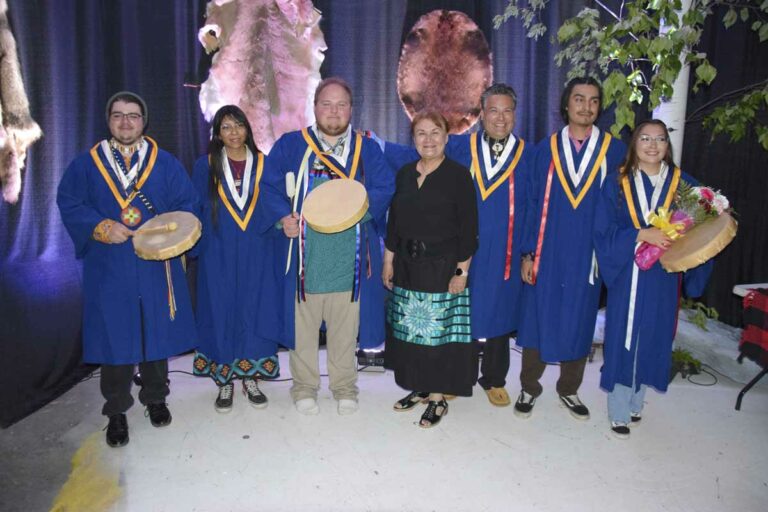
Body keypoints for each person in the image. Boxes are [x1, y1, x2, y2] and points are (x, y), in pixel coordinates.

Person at [57, 91, 198, 447]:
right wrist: (101, 226)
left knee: (155, 331)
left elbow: (187, 205)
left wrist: (164, 232)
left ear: (143, 121)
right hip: (110, 262)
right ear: (109, 120)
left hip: (152, 262)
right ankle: (116, 410)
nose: (125, 122)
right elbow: (69, 201)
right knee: (114, 335)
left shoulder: (164, 163)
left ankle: (156, 398)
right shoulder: (87, 164)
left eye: (133, 115)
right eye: (118, 115)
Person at [383, 84, 532, 407]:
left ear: (515, 115)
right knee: (453, 317)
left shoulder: (527, 155)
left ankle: (493, 377)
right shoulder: (464, 147)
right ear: (482, 113)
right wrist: (374, 141)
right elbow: (418, 155)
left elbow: (535, 204)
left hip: (502, 248)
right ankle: (451, 378)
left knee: (497, 311)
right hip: (457, 247)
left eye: (507, 110)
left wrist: (528, 251)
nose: (500, 118)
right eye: (493, 110)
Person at [258, 77, 394, 415]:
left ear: (351, 109)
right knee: (302, 328)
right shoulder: (291, 145)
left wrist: (358, 211)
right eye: (326, 104)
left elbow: (384, 186)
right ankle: (304, 387)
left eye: (341, 105)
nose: (334, 111)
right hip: (306, 254)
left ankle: (344, 386)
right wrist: (281, 220)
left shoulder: (367, 149)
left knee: (345, 327)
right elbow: (270, 187)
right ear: (315, 107)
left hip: (348, 254)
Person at [515, 77, 626, 420]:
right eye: (579, 99)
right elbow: (532, 204)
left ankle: (569, 388)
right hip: (547, 251)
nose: (586, 107)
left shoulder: (615, 151)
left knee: (580, 318)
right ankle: (529, 386)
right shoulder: (544, 149)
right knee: (536, 317)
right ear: (567, 105)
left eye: (593, 101)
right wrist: (528, 252)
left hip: (587, 254)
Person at [593, 120, 712, 438]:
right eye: (645, 138)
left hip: (662, 275)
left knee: (653, 336)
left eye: (660, 139)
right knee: (624, 336)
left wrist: (684, 246)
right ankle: (619, 409)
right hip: (628, 272)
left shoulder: (682, 184)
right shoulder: (617, 182)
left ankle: (636, 402)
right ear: (634, 143)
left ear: (667, 146)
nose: (652, 145)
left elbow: (702, 224)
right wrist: (641, 234)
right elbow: (603, 230)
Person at [383, 111, 479, 428]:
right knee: (412, 332)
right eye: (421, 133)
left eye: (435, 132)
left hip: (442, 267)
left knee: (437, 335)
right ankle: (420, 387)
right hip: (408, 267)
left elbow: (469, 230)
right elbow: (394, 223)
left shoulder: (458, 176)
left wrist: (461, 273)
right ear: (413, 139)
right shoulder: (406, 175)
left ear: (447, 137)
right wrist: (388, 260)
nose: (428, 139)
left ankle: (437, 399)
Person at [191, 105, 284, 412]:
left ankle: (250, 377)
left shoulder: (264, 164)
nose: (233, 132)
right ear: (217, 133)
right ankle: (225, 380)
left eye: (238, 125)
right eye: (226, 127)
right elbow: (195, 211)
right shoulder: (204, 166)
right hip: (217, 252)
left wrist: (283, 223)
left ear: (248, 128)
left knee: (254, 309)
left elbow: (274, 205)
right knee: (221, 310)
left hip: (257, 251)